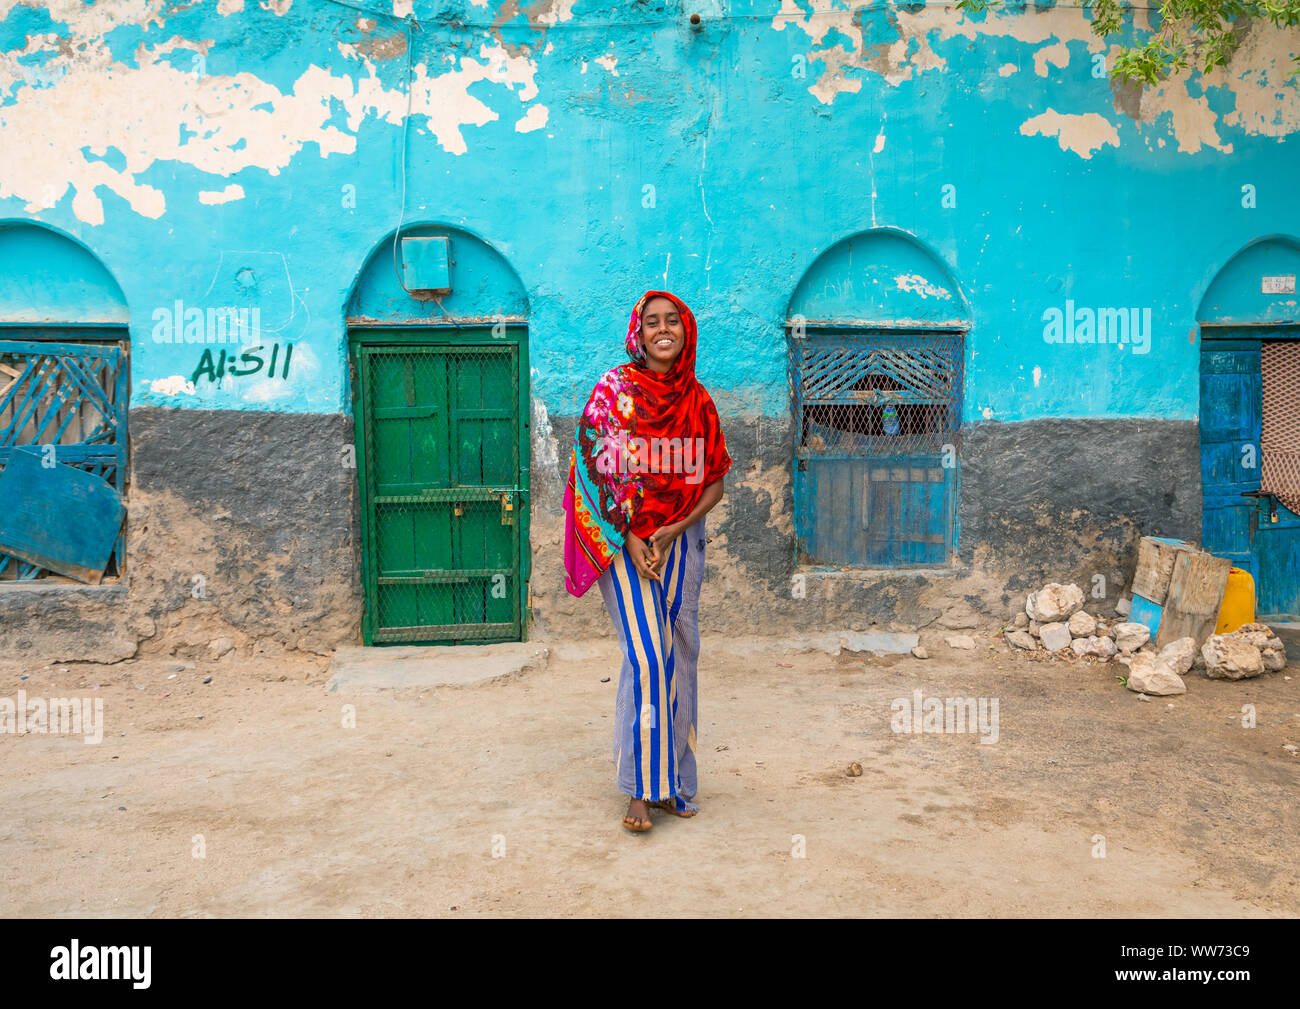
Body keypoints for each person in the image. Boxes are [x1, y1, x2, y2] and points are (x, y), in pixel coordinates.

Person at [562, 290, 731, 833]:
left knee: (681, 653)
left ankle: (676, 784)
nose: (663, 330)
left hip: (680, 541)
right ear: (638, 332)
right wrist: (633, 534)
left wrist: (675, 527)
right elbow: (589, 467)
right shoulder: (614, 392)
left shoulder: (699, 401)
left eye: (672, 322)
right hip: (626, 543)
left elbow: (714, 483)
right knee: (648, 656)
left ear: (686, 331)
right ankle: (640, 789)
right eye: (652, 322)